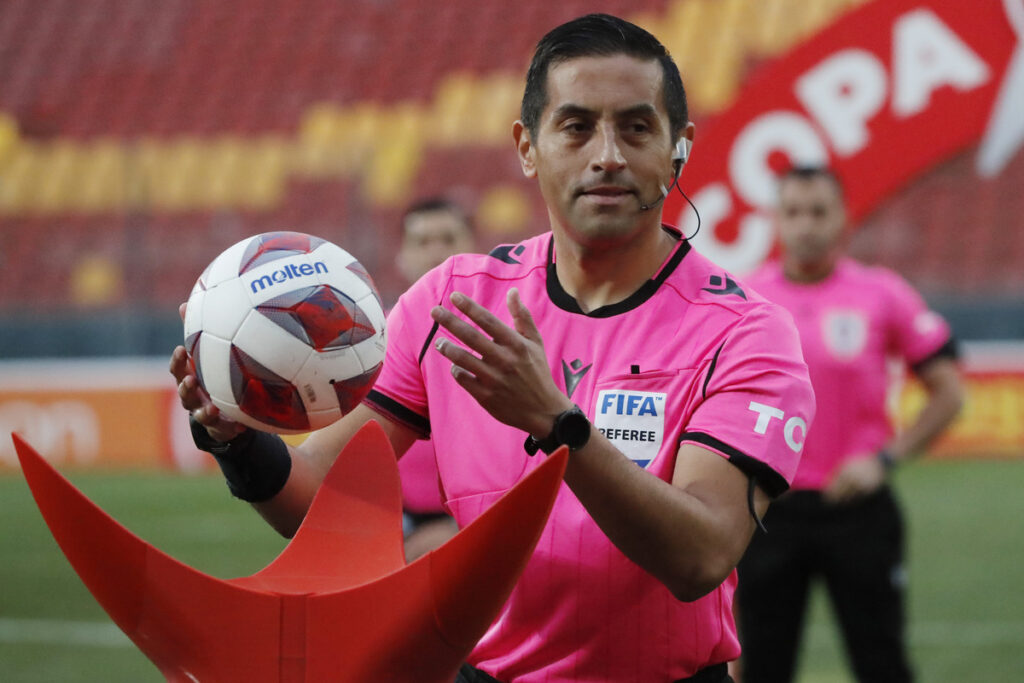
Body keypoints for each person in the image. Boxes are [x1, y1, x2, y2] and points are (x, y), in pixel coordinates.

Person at [172, 14, 816, 682]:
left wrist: (557, 424)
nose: (607, 155)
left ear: (676, 149)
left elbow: (702, 556)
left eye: (636, 126)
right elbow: (318, 502)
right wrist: (238, 441)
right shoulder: (452, 303)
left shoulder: (744, 332)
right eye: (575, 126)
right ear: (527, 146)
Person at [734, 166, 965, 683]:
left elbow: (949, 392)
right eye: (793, 212)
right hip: (771, 515)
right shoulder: (745, 301)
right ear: (776, 220)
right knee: (762, 668)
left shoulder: (882, 293)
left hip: (859, 514)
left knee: (881, 663)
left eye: (819, 212)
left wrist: (886, 459)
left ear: (843, 218)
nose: (807, 225)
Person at [395, 197, 475, 561]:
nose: (436, 252)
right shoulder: (370, 344)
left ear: (473, 247)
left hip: (479, 522)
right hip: (395, 526)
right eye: (422, 242)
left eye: (448, 238)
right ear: (402, 256)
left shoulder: (508, 339)